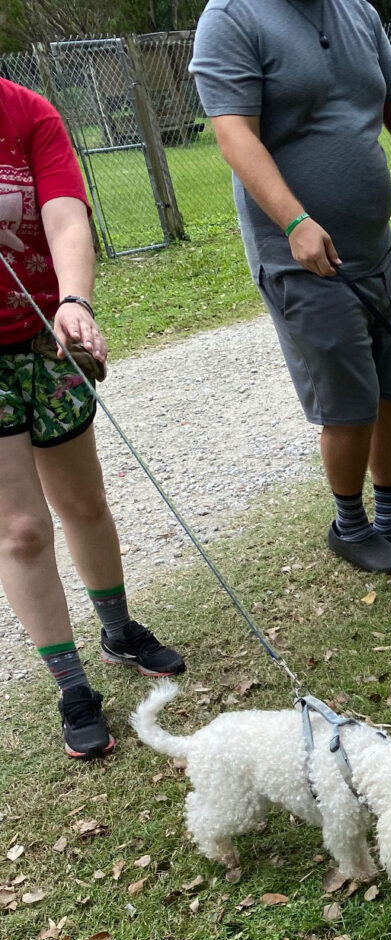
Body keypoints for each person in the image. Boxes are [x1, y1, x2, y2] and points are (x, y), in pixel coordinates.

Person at [190, 0, 391, 575]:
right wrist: (293, 221)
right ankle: (350, 527)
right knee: (347, 399)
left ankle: (390, 520)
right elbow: (235, 137)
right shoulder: (232, 18)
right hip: (301, 255)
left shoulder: (358, 11)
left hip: (376, 245)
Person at [0, 80, 184, 760]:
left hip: (47, 339)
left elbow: (66, 217)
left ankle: (116, 630)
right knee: (19, 530)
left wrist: (74, 298)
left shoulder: (28, 113)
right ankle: (70, 684)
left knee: (82, 499)